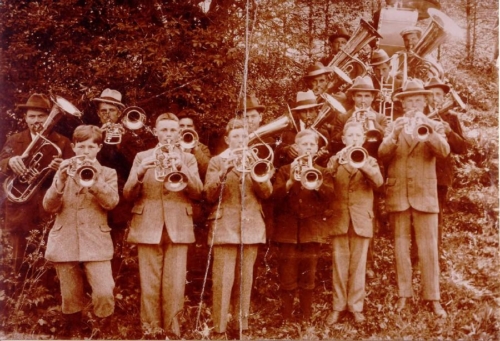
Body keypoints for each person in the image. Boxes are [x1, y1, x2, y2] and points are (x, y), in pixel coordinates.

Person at [124, 113, 203, 337]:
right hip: (148, 225)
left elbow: (198, 192)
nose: (168, 134)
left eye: (172, 130)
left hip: (178, 226)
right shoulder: (142, 156)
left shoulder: (188, 158)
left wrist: (182, 167)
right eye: (164, 130)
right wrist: (140, 172)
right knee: (149, 285)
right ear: (156, 132)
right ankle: (150, 332)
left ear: (179, 133)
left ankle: (173, 332)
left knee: (175, 285)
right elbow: (128, 194)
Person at [378, 78, 449, 318]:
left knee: (429, 248)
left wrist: (428, 130)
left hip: (425, 195)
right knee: (400, 248)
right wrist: (393, 135)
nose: (414, 105)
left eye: (418, 100)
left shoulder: (435, 125)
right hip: (399, 194)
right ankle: (404, 295)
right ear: (403, 104)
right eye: (409, 101)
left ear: (425, 102)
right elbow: (383, 155)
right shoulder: (393, 126)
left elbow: (444, 151)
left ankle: (433, 297)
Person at [43, 125, 118, 337]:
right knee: (70, 294)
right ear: (74, 147)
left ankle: (104, 332)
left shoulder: (108, 173)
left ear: (99, 148)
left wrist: (95, 182)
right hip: (65, 239)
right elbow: (49, 206)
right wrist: (61, 180)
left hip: (96, 240)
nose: (86, 151)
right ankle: (74, 331)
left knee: (104, 291)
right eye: (82, 146)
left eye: (91, 146)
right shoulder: (63, 170)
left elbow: (112, 202)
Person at [204, 118, 272, 336]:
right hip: (224, 227)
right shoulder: (217, 161)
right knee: (223, 280)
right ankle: (219, 328)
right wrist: (225, 169)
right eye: (236, 137)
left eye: (244, 137)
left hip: (251, 227)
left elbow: (267, 192)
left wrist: (256, 171)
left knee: (245, 280)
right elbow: (209, 194)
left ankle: (241, 327)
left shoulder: (256, 160)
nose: (240, 140)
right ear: (227, 139)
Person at [0, 93, 73, 272]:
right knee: (18, 261)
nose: (36, 120)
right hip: (19, 209)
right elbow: (1, 163)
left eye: (41, 116)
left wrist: (61, 169)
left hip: (46, 209)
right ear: (25, 118)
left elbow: (73, 174)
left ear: (49, 117)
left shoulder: (62, 142)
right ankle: (19, 295)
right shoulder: (14, 140)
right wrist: (9, 162)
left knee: (48, 258)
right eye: (31, 116)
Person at [272, 129, 334, 323]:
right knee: (287, 276)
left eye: (312, 145)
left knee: (309, 276)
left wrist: (316, 183)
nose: (308, 148)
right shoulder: (283, 170)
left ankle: (306, 318)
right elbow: (274, 199)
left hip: (311, 231)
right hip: (287, 232)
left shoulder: (322, 172)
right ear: (297, 148)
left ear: (317, 149)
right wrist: (290, 181)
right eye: (304, 145)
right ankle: (287, 317)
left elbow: (331, 197)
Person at [92, 88, 156, 275]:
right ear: (98, 113)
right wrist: (100, 141)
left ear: (120, 113)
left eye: (112, 110)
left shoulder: (131, 137)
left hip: (119, 199)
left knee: (115, 242)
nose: (108, 115)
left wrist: (122, 142)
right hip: (95, 196)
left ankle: (113, 282)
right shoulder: (92, 134)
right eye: (103, 111)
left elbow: (135, 166)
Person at [325, 122, 383, 324]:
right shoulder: (335, 159)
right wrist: (334, 165)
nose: (355, 139)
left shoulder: (371, 160)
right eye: (351, 135)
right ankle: (338, 307)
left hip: (360, 219)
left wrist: (364, 164)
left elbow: (378, 183)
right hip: (340, 218)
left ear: (364, 139)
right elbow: (325, 184)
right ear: (344, 140)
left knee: (358, 265)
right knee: (339, 265)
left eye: (359, 135)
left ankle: (356, 307)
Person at [424, 77, 467, 256]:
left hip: (440, 175)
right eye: (432, 94)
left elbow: (463, 148)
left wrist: (450, 133)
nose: (435, 98)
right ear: (426, 97)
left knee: (437, 215)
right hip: (421, 171)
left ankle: (435, 252)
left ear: (443, 97)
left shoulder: (451, 118)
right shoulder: (421, 115)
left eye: (439, 95)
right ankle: (417, 254)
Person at [330, 76, 388, 157]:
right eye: (359, 96)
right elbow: (334, 141)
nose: (363, 100)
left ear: (373, 97)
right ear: (353, 97)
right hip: (348, 159)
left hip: (372, 160)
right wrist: (349, 122)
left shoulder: (381, 118)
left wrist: (375, 124)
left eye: (367, 96)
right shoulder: (342, 117)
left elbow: (386, 141)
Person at [274, 90, 330, 168]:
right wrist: (287, 150)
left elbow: (326, 164)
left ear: (316, 112)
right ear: (298, 114)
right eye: (304, 111)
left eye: (311, 110)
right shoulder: (288, 132)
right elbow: (279, 159)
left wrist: (324, 157)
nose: (308, 115)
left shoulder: (323, 133)